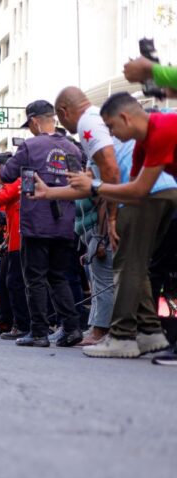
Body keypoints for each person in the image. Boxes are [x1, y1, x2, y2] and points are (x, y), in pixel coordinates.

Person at [61, 93, 177, 358]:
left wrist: (93, 185)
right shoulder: (140, 146)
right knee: (143, 264)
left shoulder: (163, 128)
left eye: (111, 127)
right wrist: (112, 219)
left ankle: (124, 335)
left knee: (131, 264)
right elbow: (132, 192)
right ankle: (149, 333)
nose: (110, 135)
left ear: (125, 118)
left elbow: (141, 188)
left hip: (166, 197)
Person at [0, 99, 83, 348]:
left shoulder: (30, 146)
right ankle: (71, 327)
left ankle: (38, 332)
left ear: (35, 121)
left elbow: (6, 175)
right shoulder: (73, 149)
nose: (30, 129)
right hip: (64, 222)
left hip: (37, 222)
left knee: (34, 278)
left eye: (30, 125)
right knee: (59, 277)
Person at [0, 152, 30, 340]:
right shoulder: (15, 184)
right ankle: (15, 324)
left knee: (16, 284)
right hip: (13, 241)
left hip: (21, 242)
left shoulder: (17, 182)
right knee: (10, 284)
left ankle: (22, 325)